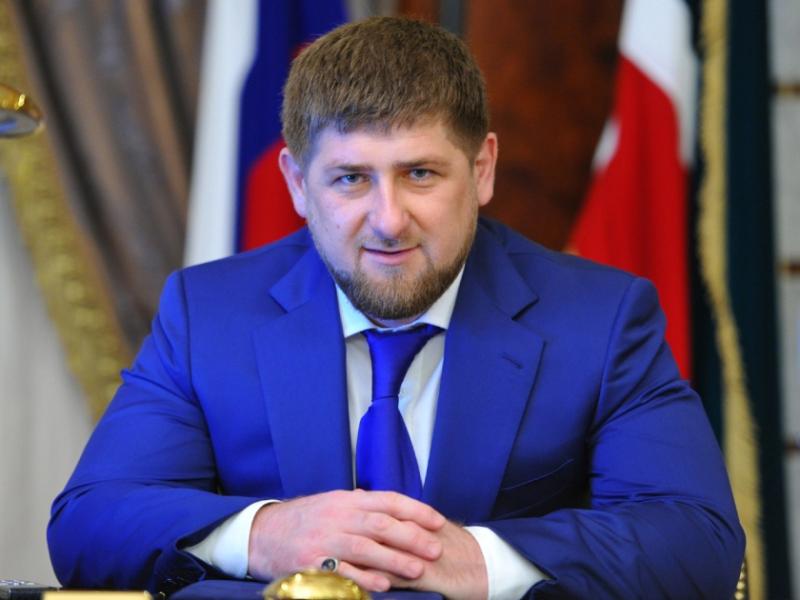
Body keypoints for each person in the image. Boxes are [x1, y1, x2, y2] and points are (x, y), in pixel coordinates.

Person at [48, 16, 744, 599]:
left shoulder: (602, 318)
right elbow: (89, 522)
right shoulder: (208, 314)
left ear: (482, 169)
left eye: (420, 173)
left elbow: (698, 541)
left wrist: (478, 559)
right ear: (297, 183)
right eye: (351, 178)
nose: (388, 220)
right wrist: (265, 534)